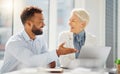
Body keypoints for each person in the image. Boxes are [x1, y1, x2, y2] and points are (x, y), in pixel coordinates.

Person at [0, 6, 77, 73]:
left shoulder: (40, 40)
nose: (44, 24)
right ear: (29, 24)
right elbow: (31, 61)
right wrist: (57, 52)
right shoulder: (15, 42)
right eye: (40, 21)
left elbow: (51, 63)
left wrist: (44, 61)